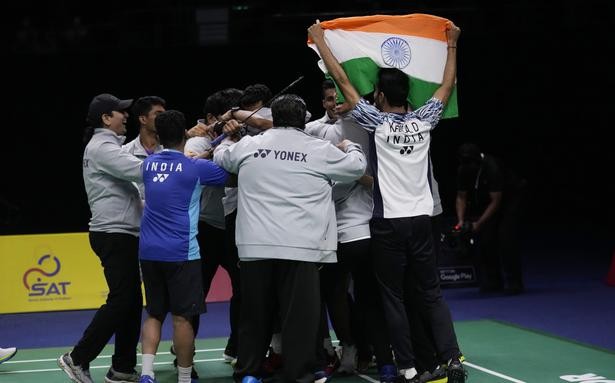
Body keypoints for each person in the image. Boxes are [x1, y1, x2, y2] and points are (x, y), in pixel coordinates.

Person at [308, 20, 466, 383]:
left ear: (379, 95)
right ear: (408, 94)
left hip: (388, 223)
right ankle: (452, 358)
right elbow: (446, 85)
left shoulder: (375, 122)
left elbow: (344, 83)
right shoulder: (425, 119)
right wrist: (453, 43)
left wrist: (320, 42)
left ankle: (409, 367)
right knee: (431, 293)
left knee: (392, 296)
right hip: (423, 220)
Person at [214, 94, 366, 383]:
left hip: (254, 245)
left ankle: (248, 372)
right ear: (303, 119)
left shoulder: (250, 145)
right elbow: (356, 167)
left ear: (275, 119)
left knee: (255, 315)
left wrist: (228, 138)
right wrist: (352, 146)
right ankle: (300, 373)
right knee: (299, 317)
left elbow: (223, 157)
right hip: (302, 247)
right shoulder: (319, 149)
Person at [306, 79, 395, 378]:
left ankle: (384, 358)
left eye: (339, 97)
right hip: (330, 231)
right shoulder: (314, 131)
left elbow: (376, 179)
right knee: (334, 295)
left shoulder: (367, 125)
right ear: (323, 102)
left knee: (371, 297)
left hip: (366, 227)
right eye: (329, 98)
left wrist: (354, 171)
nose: (334, 103)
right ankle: (353, 349)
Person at [137, 110, 229, 383]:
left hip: (148, 251)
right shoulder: (196, 167)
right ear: (185, 136)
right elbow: (228, 173)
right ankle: (185, 377)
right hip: (182, 252)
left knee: (154, 314)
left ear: (158, 136)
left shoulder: (148, 164)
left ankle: (147, 373)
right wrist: (219, 143)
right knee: (182, 318)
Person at [59, 93, 143, 383]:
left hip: (122, 232)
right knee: (122, 299)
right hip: (113, 234)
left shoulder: (108, 146)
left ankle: (122, 367)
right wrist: (178, 158)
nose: (126, 115)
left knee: (132, 302)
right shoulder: (102, 146)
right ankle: (77, 358)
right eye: (120, 112)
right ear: (106, 118)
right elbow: (139, 170)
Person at [455, 142, 527, 294]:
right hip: (488, 201)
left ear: (477, 160)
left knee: (506, 237)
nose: (468, 165)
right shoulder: (464, 168)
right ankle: (493, 280)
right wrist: (461, 221)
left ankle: (514, 282)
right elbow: (461, 197)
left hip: (509, 199)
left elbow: (496, 201)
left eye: (470, 162)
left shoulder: (492, 167)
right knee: (486, 239)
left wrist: (478, 223)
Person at [123, 96, 166, 198]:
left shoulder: (171, 149)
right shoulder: (124, 152)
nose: (165, 119)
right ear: (143, 119)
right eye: (159, 114)